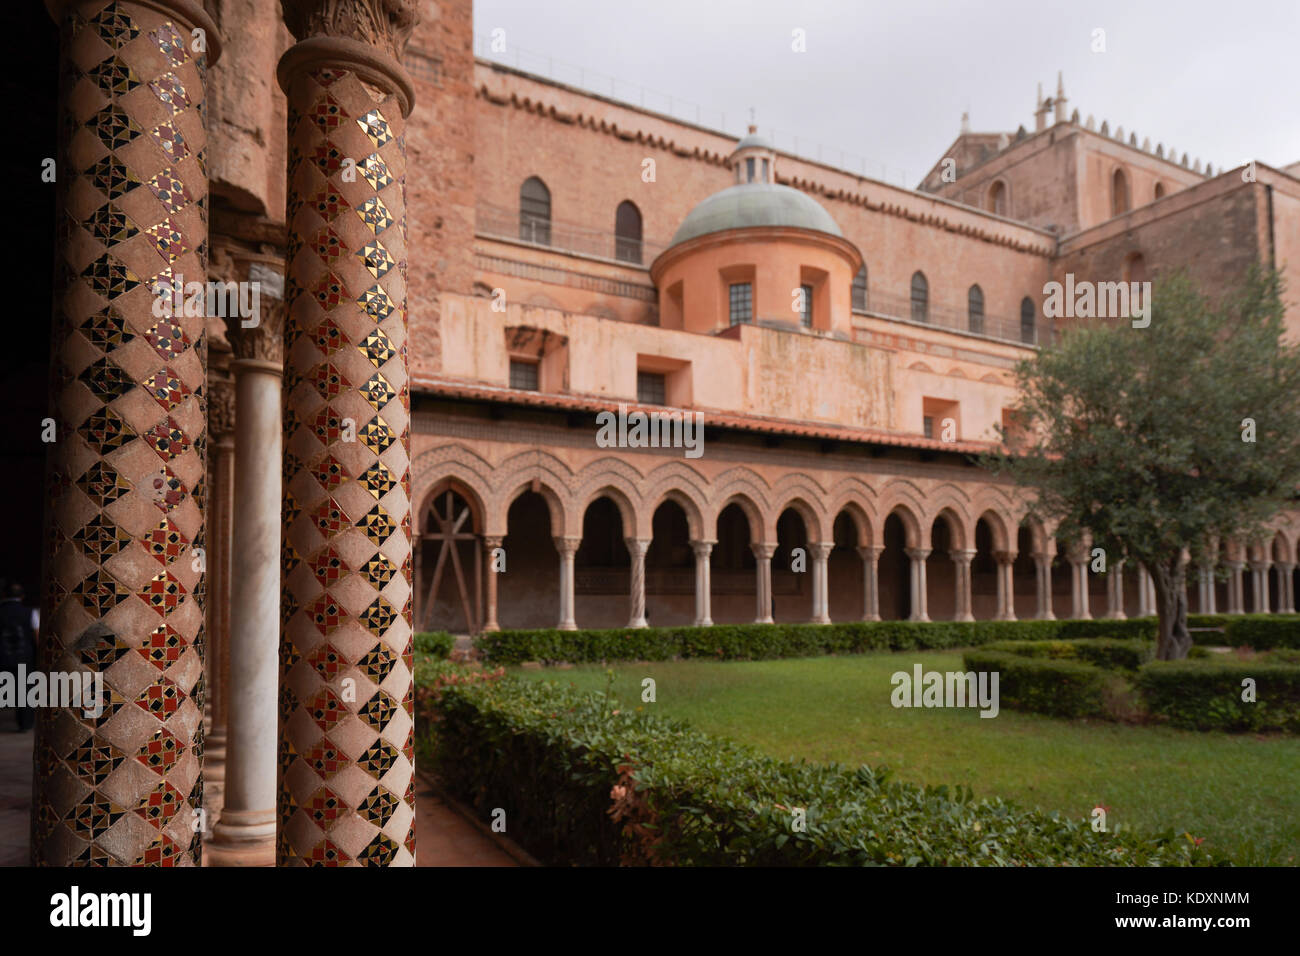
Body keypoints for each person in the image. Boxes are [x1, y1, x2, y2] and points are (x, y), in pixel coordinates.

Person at [0, 579, 36, 731]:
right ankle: (25, 724)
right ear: (22, 596)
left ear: (3, 594)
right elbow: (36, 635)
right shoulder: (30, 613)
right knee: (25, 691)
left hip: (2, 657)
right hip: (24, 657)